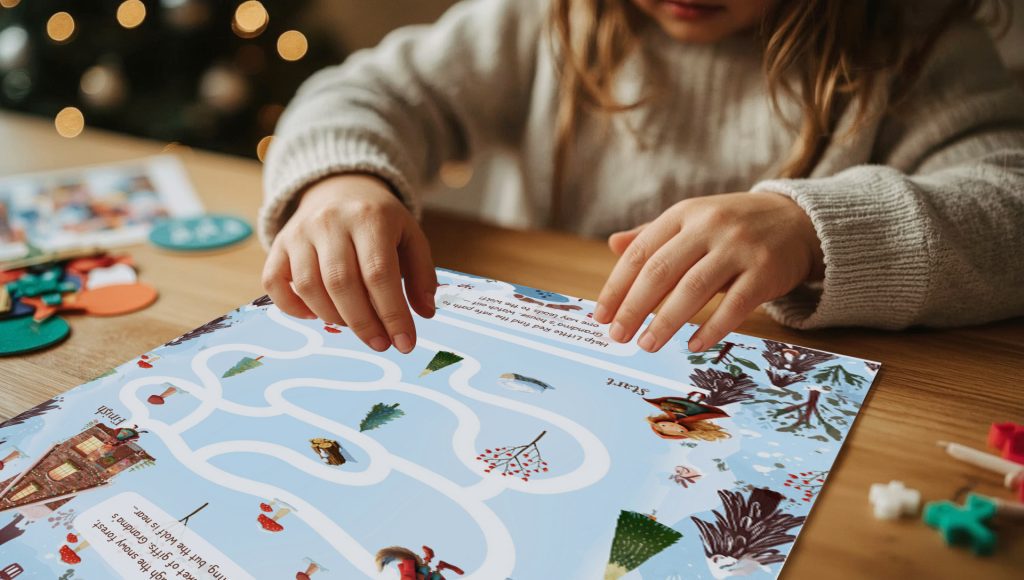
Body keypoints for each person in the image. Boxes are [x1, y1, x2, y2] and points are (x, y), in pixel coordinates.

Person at [259, 0, 1024, 355]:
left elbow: (1010, 208)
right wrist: (342, 181)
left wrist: (812, 231)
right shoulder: (548, 15)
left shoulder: (921, 43)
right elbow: (365, 92)